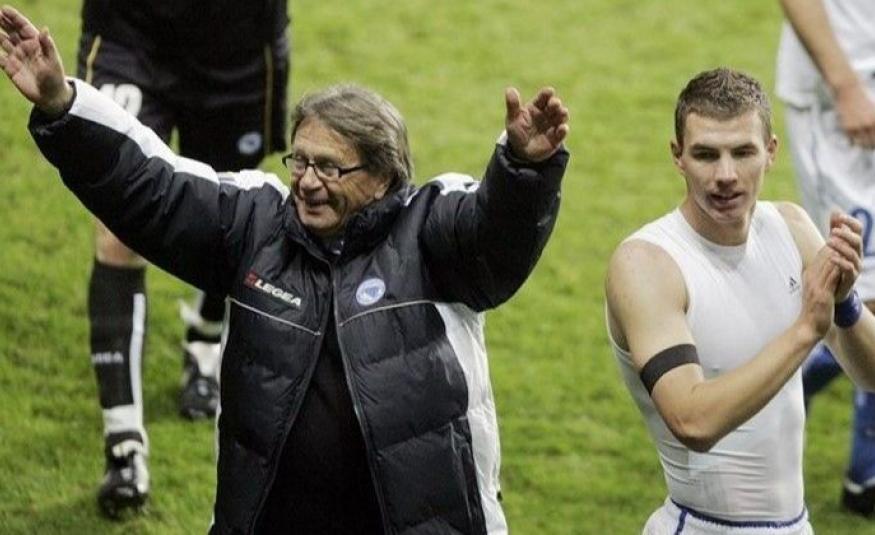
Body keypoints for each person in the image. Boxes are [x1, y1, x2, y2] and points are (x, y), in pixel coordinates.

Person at [0, 4, 570, 533]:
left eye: (330, 168)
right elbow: (153, 188)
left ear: (382, 177)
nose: (308, 182)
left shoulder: (431, 230)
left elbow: (495, 236)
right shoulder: (258, 223)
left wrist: (523, 170)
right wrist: (60, 104)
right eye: (300, 161)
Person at [605, 67, 875, 534]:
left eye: (743, 152)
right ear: (678, 156)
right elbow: (692, 420)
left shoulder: (791, 228)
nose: (725, 176)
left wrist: (846, 302)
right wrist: (805, 331)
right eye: (706, 155)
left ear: (771, 152)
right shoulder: (647, 264)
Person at [67, 0, 291, 517]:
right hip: (131, 35)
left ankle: (206, 339)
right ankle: (124, 443)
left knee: (227, 206)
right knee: (117, 227)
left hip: (238, 49)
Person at [776, 0, 875, 516]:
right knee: (862, 291)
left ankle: (864, 474)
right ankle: (766, 395)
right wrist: (845, 85)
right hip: (844, 102)